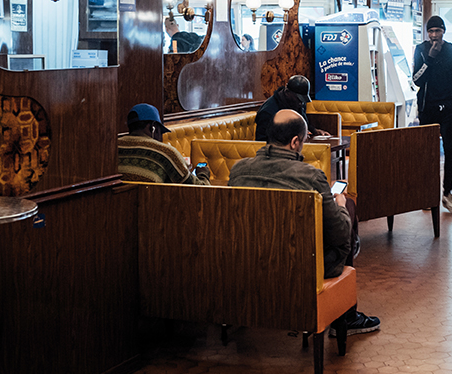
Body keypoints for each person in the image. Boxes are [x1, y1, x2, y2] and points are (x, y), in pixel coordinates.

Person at [229, 110, 380, 336]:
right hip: (302, 267)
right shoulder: (310, 176)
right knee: (347, 209)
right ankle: (345, 318)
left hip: (248, 261)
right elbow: (338, 234)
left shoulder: (239, 171)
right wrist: (340, 204)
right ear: (294, 142)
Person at [412, 15, 452, 214]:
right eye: (431, 31)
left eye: (437, 31)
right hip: (428, 109)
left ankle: (447, 192)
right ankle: (428, 192)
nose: (434, 35)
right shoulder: (420, 50)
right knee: (427, 153)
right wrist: (430, 58)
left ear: (443, 31)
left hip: (449, 110)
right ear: (427, 33)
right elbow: (417, 80)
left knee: (451, 152)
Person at [117, 103, 209, 185]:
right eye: (160, 132)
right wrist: (203, 174)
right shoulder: (166, 153)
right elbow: (199, 189)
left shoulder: (114, 147)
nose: (160, 137)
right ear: (153, 127)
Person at [254, 75, 329, 141]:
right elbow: (262, 140)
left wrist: (314, 131)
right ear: (287, 92)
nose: (301, 103)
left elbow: (301, 123)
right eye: (298, 99)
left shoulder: (298, 103)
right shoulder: (268, 111)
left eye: (303, 100)